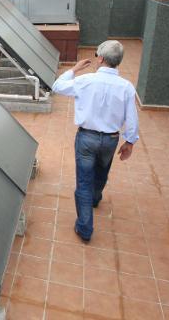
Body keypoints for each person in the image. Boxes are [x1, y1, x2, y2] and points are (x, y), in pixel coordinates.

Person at [52, 40, 139, 242]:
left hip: (86, 138)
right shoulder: (126, 87)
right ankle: (95, 198)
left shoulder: (85, 81)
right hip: (111, 140)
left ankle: (85, 228)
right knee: (101, 172)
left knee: (84, 181)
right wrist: (130, 142)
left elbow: (57, 86)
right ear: (118, 61)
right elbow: (132, 118)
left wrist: (74, 69)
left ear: (100, 58)